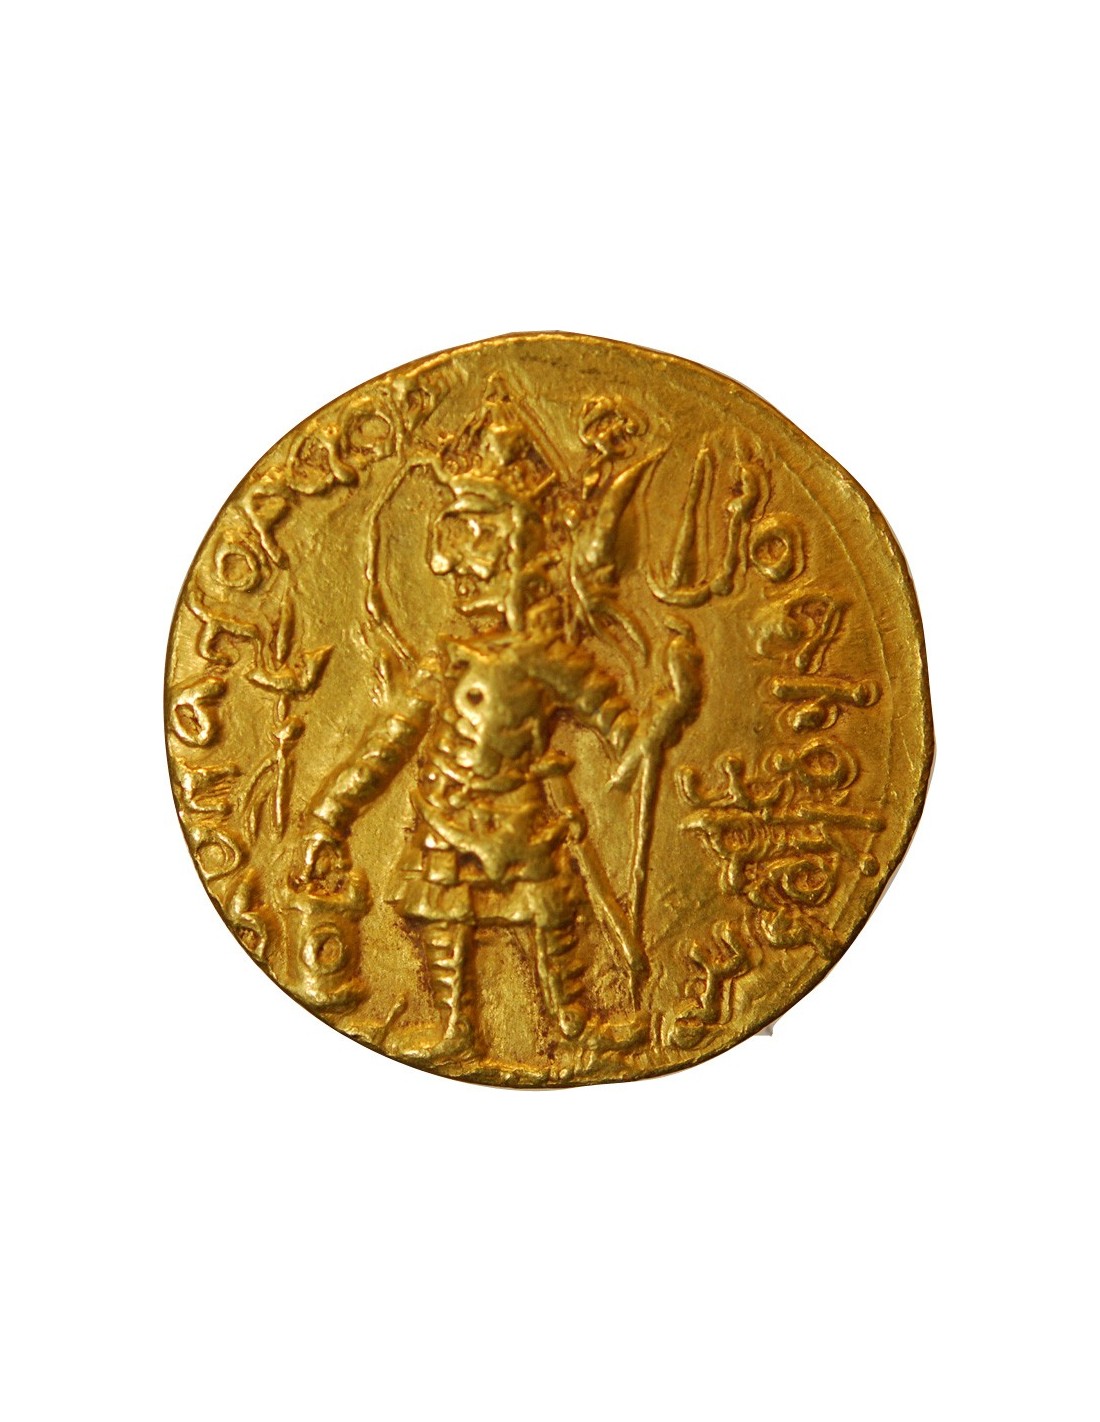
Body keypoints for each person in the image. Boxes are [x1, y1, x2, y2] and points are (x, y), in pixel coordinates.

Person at [293, 384, 698, 1061]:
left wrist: (672, 710)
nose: (451, 565)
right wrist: (328, 817)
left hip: (521, 816)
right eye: (449, 538)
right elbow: (385, 745)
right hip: (443, 813)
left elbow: (626, 743)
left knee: (549, 910)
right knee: (443, 913)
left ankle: (572, 1022)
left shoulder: (554, 661)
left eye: (475, 538)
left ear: (521, 551)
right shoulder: (445, 661)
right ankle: (456, 1025)